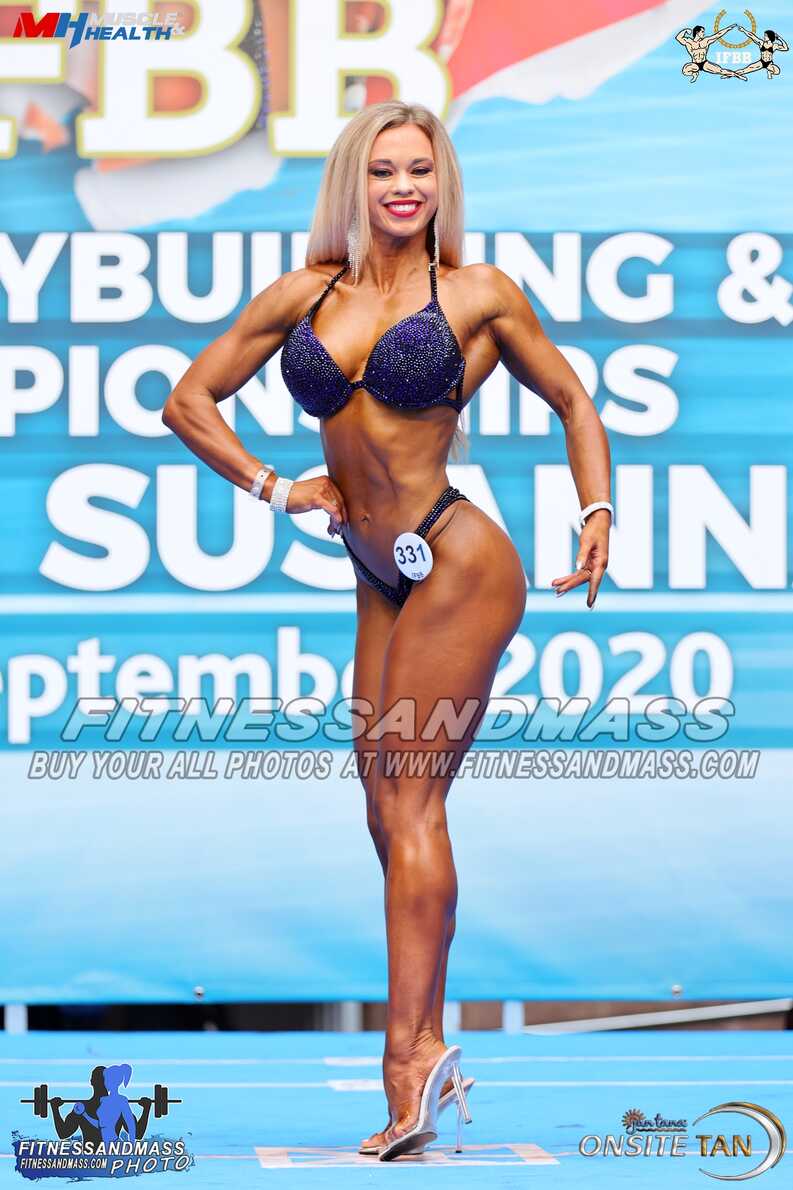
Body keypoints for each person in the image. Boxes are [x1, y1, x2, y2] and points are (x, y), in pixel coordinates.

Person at [161, 99, 612, 1159]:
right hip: (377, 573)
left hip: (459, 558)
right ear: (353, 184)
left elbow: (572, 400)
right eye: (382, 170)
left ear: (441, 183)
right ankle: (422, 1046)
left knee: (410, 800)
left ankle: (410, 1062)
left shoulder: (478, 292)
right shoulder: (306, 293)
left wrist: (595, 510)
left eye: (420, 169)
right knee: (384, 807)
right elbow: (187, 401)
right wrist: (275, 487)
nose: (403, 186)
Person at [675, 23, 744, 80]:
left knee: (721, 71)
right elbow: (678, 37)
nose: (704, 34)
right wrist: (685, 30)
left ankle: (737, 75)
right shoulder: (689, 42)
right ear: (697, 32)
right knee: (685, 71)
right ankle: (694, 74)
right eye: (702, 32)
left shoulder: (706, 41)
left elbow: (718, 35)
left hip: (704, 63)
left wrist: (729, 28)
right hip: (695, 64)